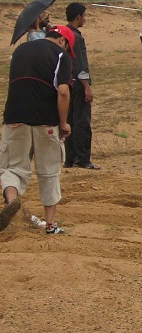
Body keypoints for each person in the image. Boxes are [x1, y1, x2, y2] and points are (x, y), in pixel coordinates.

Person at [0, 26, 75, 234]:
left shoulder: (20, 51)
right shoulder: (61, 55)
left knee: (11, 168)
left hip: (14, 118)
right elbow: (63, 92)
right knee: (49, 171)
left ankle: (12, 203)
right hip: (46, 122)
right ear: (62, 40)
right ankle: (50, 225)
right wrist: (63, 123)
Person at [64, 2, 100, 170]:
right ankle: (83, 159)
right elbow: (80, 64)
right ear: (78, 17)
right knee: (82, 122)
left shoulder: (63, 34)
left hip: (67, 84)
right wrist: (87, 86)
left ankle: (69, 158)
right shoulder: (76, 37)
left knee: (69, 120)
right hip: (78, 84)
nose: (85, 19)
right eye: (84, 16)